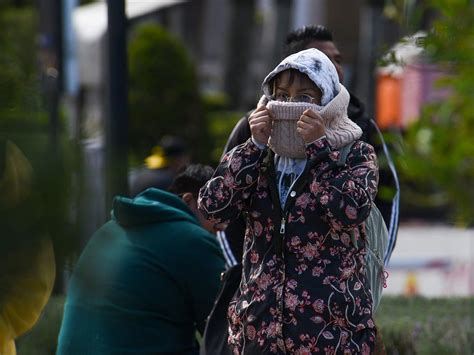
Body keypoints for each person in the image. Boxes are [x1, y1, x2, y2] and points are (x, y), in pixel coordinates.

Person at [199, 48, 378, 353]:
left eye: (306, 98)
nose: (290, 105)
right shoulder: (259, 155)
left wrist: (320, 150)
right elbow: (212, 209)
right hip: (259, 335)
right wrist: (253, 145)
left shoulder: (355, 154)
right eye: (281, 94)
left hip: (330, 338)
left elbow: (350, 211)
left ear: (328, 103)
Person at [222, 25, 399, 267]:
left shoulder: (362, 133)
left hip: (331, 297)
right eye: (322, 60)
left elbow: (376, 203)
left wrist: (375, 270)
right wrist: (239, 273)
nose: (335, 67)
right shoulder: (256, 128)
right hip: (261, 299)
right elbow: (218, 208)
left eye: (337, 59)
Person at [57, 164, 225, 355]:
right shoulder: (193, 240)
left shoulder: (107, 231)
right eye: (220, 212)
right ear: (189, 200)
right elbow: (229, 332)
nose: (221, 230)